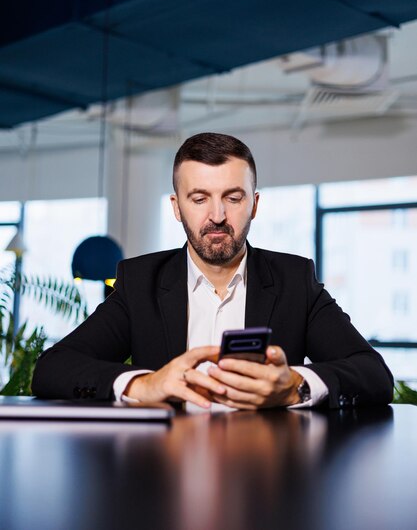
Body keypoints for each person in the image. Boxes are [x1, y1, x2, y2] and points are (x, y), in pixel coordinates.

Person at [32, 132, 393, 410]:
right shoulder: (139, 282)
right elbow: (53, 368)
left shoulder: (295, 280)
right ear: (177, 206)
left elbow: (373, 374)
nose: (217, 216)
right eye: (200, 198)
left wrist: (293, 385)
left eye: (233, 198)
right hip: (163, 477)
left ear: (254, 204)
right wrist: (143, 385)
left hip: (269, 481)